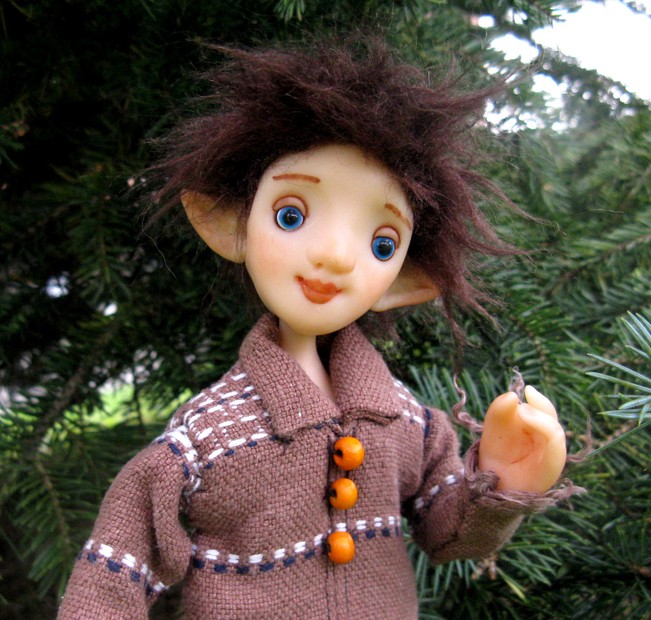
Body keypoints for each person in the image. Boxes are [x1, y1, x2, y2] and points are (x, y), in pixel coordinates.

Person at [58, 41, 575, 619]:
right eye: (292, 215)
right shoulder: (208, 437)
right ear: (231, 225)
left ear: (404, 281)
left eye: (381, 244)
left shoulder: (407, 422)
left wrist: (505, 478)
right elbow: (116, 571)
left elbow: (446, 531)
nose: (334, 257)